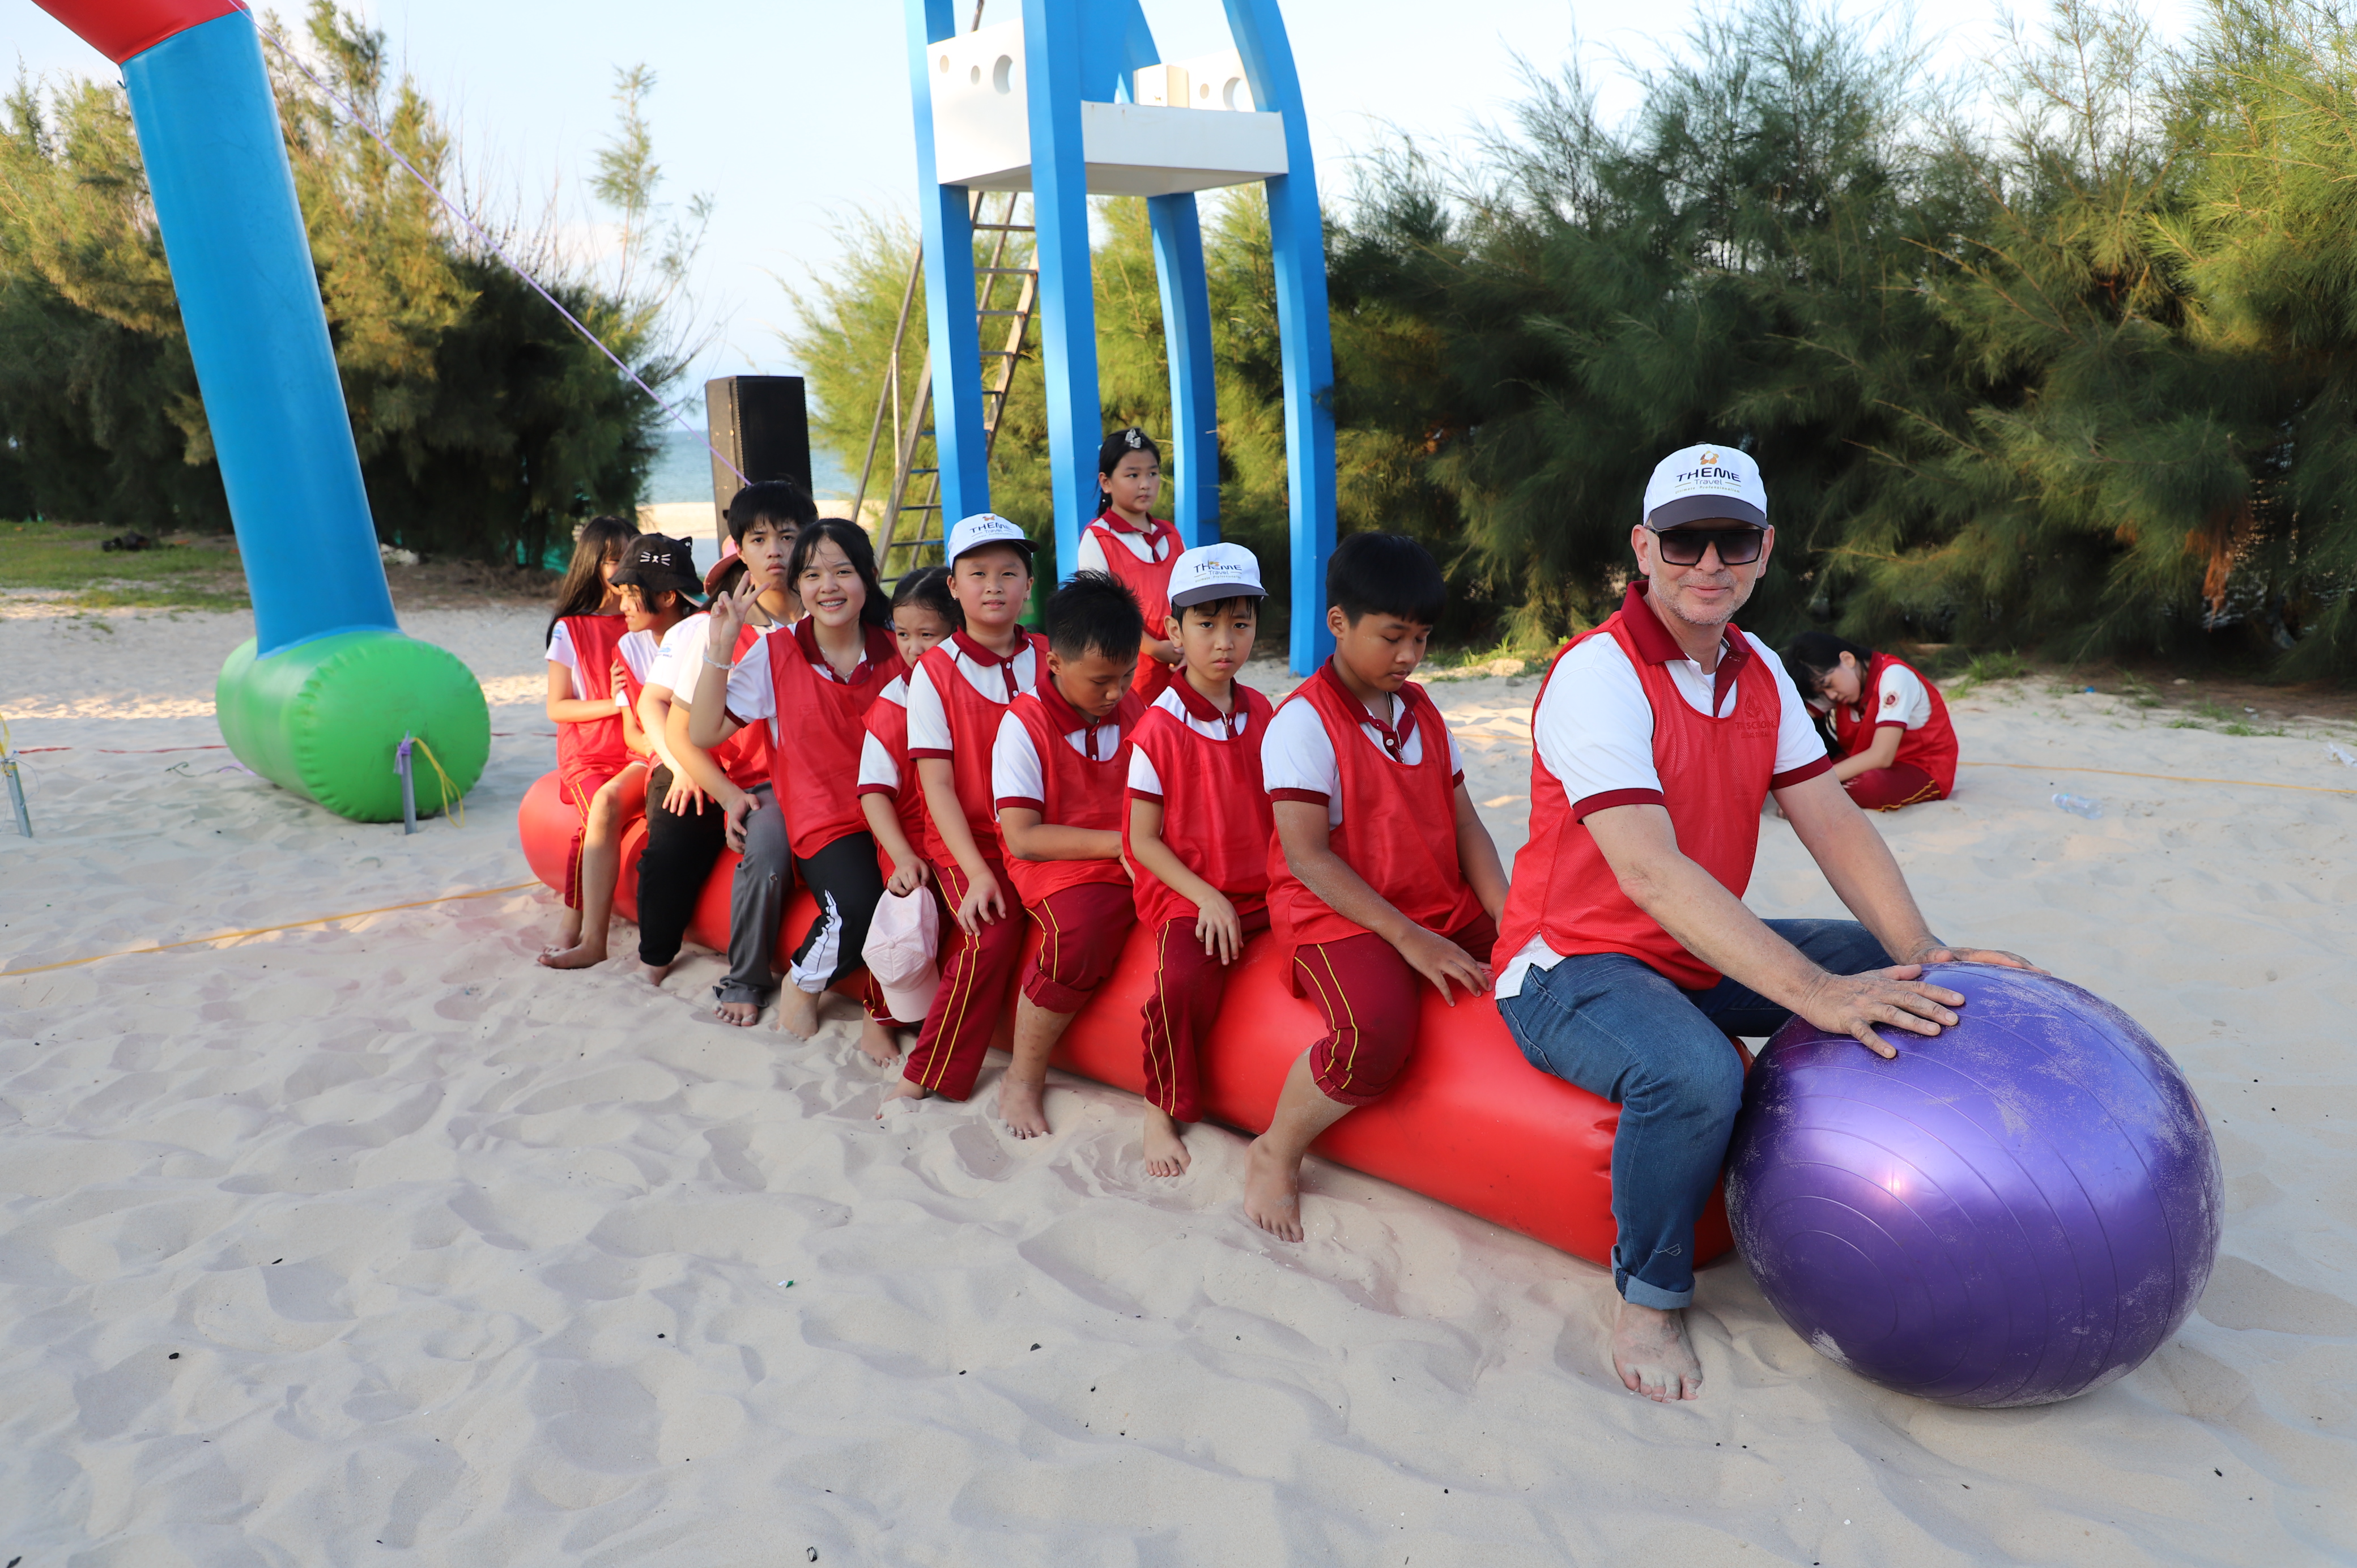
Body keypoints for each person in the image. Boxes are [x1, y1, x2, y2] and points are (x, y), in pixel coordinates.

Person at [1491, 444, 2036, 1405]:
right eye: (1685, 541)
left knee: (1898, 973)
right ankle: (1648, 1295)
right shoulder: (1598, 673)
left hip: (1688, 947)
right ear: (1643, 549)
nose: (1710, 563)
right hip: (1571, 959)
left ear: (1765, 550)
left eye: (1732, 540)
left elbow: (1832, 819)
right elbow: (1648, 870)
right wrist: (1815, 994)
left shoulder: (1759, 671)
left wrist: (1921, 948)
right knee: (1697, 1072)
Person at [1248, 534, 1511, 1241]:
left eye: (1421, 638)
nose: (1409, 655)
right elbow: (1306, 856)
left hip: (1433, 897)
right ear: (1337, 623)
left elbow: (1466, 823)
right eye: (1392, 636)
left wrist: (1507, 912)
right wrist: (1409, 937)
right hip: (1337, 914)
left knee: (1549, 960)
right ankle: (1276, 1148)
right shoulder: (1302, 722)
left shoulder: (1421, 710)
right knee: (1374, 1034)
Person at [690, 519, 905, 1042]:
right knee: (859, 906)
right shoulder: (776, 651)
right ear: (798, 586)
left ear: (868, 576)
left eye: (843, 572)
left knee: (918, 900)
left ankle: (883, 1014)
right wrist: (721, 646)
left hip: (900, 812)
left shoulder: (898, 647)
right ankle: (802, 985)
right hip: (826, 819)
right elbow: (703, 732)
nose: (828, 586)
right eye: (812, 575)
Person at [884, 513, 1046, 1113]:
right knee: (992, 931)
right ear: (953, 587)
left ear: (1029, 583)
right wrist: (976, 872)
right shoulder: (935, 670)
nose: (994, 586)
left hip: (1044, 834)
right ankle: (924, 1071)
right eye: (977, 574)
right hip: (969, 840)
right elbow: (937, 785)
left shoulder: (1050, 656)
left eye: (1009, 572)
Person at [1122, 543, 1275, 1177]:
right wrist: (1206, 897)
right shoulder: (1157, 727)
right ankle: (1159, 1109)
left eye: (1239, 623)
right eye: (1206, 624)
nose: (1224, 642)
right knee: (1181, 982)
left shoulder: (1263, 711)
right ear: (1174, 631)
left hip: (1265, 886)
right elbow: (1142, 840)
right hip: (1189, 891)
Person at [641, 480, 810, 1020]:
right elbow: (680, 731)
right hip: (755, 781)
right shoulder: (720, 630)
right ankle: (739, 976)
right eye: (759, 540)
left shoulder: (830, 611)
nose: (775, 551)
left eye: (788, 536)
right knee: (757, 848)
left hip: (825, 777)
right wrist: (729, 795)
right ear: (740, 550)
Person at [989, 571, 1148, 1138]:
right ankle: (1024, 1075)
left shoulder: (1134, 709)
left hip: (1130, 848)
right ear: (1054, 663)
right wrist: (1122, 845)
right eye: (1101, 680)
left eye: (1127, 676)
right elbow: (1022, 837)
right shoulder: (1023, 723)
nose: (1116, 692)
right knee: (1080, 933)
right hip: (1056, 859)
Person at [541, 532, 697, 970]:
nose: (622, 604)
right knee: (605, 803)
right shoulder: (628, 644)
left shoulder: (700, 631)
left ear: (666, 596)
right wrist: (659, 753)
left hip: (698, 755)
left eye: (630, 594)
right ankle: (593, 940)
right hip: (650, 754)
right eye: (622, 592)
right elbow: (632, 731)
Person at [854, 566, 961, 1067]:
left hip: (963, 832)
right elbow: (874, 794)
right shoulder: (891, 704)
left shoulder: (971, 689)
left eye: (927, 635)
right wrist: (900, 856)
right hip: (910, 841)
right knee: (908, 918)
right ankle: (875, 1016)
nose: (913, 648)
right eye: (902, 635)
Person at [541, 513, 641, 953]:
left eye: (631, 558)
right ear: (593, 564)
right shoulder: (571, 628)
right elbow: (557, 707)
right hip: (589, 755)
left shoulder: (645, 619)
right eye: (614, 560)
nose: (624, 570)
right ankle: (573, 923)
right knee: (593, 823)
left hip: (639, 750)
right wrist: (614, 702)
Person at [1782, 630, 1959, 810]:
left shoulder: (1894, 676)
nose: (1830, 695)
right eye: (1822, 691)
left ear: (1848, 660)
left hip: (1920, 768)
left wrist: (1815, 784)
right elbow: (1795, 721)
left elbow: (1882, 756)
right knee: (1807, 770)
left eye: (1828, 685)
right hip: (1864, 763)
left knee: (1867, 786)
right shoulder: (1840, 686)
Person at [1074, 427, 1184, 700]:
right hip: (1129, 675)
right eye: (1133, 475)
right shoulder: (1098, 538)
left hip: (1181, 666)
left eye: (1153, 473)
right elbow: (1101, 615)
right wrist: (1156, 649)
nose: (1145, 484)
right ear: (1106, 482)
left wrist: (1186, 649)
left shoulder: (1171, 534)